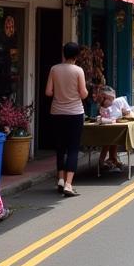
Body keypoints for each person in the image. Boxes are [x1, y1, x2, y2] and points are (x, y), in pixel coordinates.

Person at [45, 41, 89, 197]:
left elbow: (48, 92)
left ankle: (60, 179)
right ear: (77, 56)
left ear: (64, 54)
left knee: (60, 148)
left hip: (57, 112)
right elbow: (83, 94)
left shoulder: (54, 69)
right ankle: (69, 184)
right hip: (75, 113)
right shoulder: (78, 71)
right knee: (73, 148)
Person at [96, 86, 134, 172]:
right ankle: (104, 161)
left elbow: (130, 114)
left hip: (116, 128)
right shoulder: (104, 106)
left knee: (113, 139)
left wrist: (125, 113)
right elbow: (104, 117)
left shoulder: (118, 101)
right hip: (106, 129)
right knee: (108, 140)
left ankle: (112, 159)